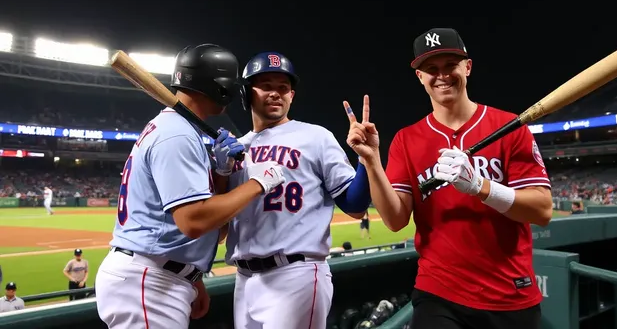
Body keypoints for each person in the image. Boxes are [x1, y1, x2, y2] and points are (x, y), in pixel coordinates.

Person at [343, 28, 554, 329]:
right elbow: (395, 219)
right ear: (420, 77)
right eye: (431, 68)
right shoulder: (407, 140)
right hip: (439, 293)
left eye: (450, 65)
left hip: (510, 292)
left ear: (467, 67)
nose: (441, 75)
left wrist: (481, 187)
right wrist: (372, 161)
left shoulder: (509, 127)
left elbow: (542, 210)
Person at [94, 44, 286, 329]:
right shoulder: (177, 134)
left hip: (158, 276)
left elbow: (212, 227)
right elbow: (194, 220)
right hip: (149, 280)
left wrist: (221, 172)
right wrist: (258, 183)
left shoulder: (177, 129)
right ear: (220, 87)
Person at [225, 52, 372, 329]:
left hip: (295, 274)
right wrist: (221, 170)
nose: (275, 93)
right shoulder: (236, 148)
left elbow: (355, 205)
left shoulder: (315, 136)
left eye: (283, 88)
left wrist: (365, 159)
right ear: (246, 93)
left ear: (292, 95)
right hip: (243, 279)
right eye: (266, 85)